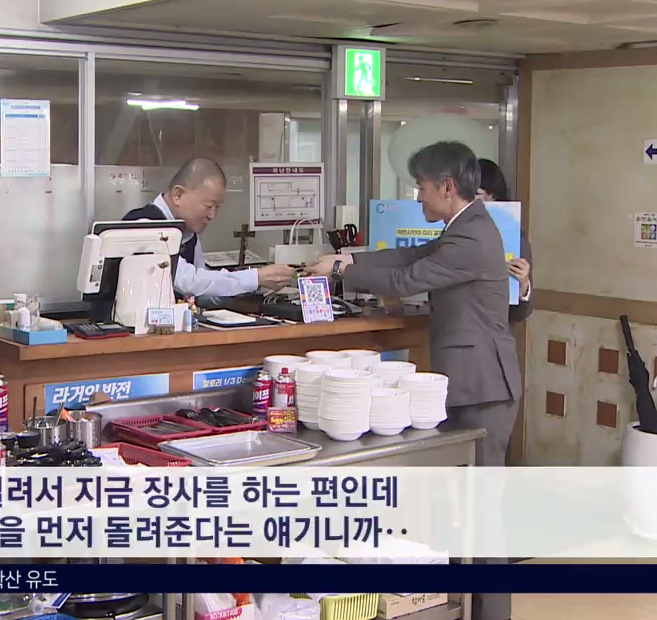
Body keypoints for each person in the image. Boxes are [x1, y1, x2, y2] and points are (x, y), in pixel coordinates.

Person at [306, 141, 518, 620]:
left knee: (483, 515)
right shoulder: (461, 226)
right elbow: (410, 256)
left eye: (421, 187)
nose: (418, 197)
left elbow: (408, 279)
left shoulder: (471, 236)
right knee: (465, 511)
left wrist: (343, 269)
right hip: (470, 384)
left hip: (485, 387)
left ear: (447, 186)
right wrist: (347, 258)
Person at [124, 158, 296, 297]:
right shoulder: (144, 225)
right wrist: (255, 278)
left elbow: (202, 288)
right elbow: (188, 281)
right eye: (208, 206)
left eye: (217, 208)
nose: (212, 215)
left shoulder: (188, 234)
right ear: (178, 195)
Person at [477, 159, 534, 325]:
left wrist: (523, 285)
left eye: (476, 194)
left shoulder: (513, 235)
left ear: (493, 196)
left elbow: (521, 313)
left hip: (494, 333)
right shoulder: (453, 229)